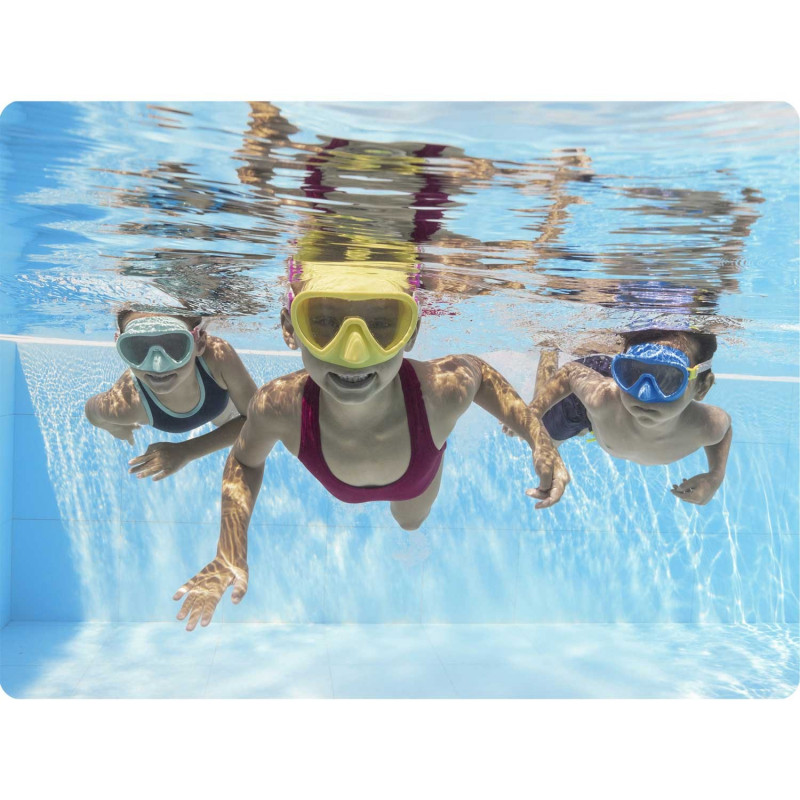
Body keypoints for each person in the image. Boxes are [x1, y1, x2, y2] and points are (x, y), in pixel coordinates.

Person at [173, 263, 569, 630]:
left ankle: (420, 506)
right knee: (405, 517)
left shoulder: (438, 393)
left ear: (410, 333)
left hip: (416, 476)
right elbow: (244, 461)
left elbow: (479, 373)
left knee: (409, 522)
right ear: (290, 329)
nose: (353, 355)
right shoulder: (279, 406)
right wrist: (229, 549)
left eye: (381, 325)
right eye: (324, 322)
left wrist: (539, 439)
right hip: (360, 479)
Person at [524, 329, 732, 508]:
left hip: (607, 416)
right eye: (633, 372)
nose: (643, 394)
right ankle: (549, 348)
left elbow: (724, 431)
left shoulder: (707, 425)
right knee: (542, 434)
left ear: (702, 387)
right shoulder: (602, 398)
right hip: (595, 397)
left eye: (668, 378)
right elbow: (570, 372)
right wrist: (534, 411)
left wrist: (715, 475)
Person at [84, 310, 258, 481]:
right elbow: (92, 411)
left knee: (235, 423)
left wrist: (187, 451)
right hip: (213, 402)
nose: (157, 366)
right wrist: (115, 428)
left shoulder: (218, 356)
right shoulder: (125, 403)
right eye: (138, 347)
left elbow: (259, 421)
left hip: (221, 405)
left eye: (174, 345)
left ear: (199, 344)